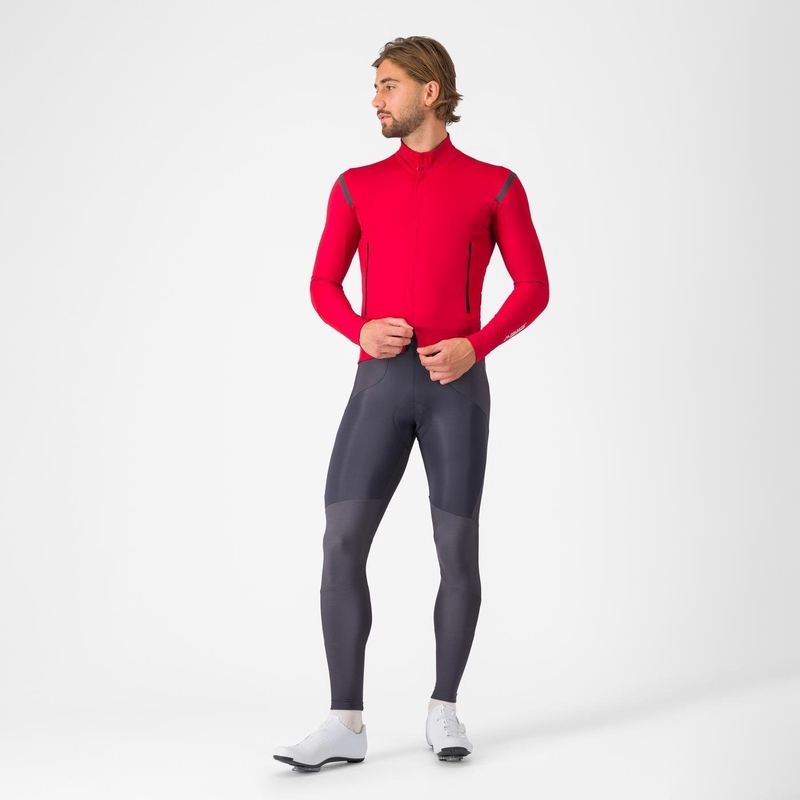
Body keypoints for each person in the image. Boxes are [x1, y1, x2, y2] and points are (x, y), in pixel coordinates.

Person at [273, 35, 549, 772]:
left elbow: (533, 287)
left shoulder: (495, 185)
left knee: (456, 551)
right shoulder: (356, 185)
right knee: (340, 542)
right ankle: (344, 722)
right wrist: (358, 329)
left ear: (430, 92)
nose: (375, 100)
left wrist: (475, 346)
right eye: (376, 87)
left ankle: (444, 707)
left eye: (387, 85)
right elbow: (323, 285)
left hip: (456, 391)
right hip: (380, 385)